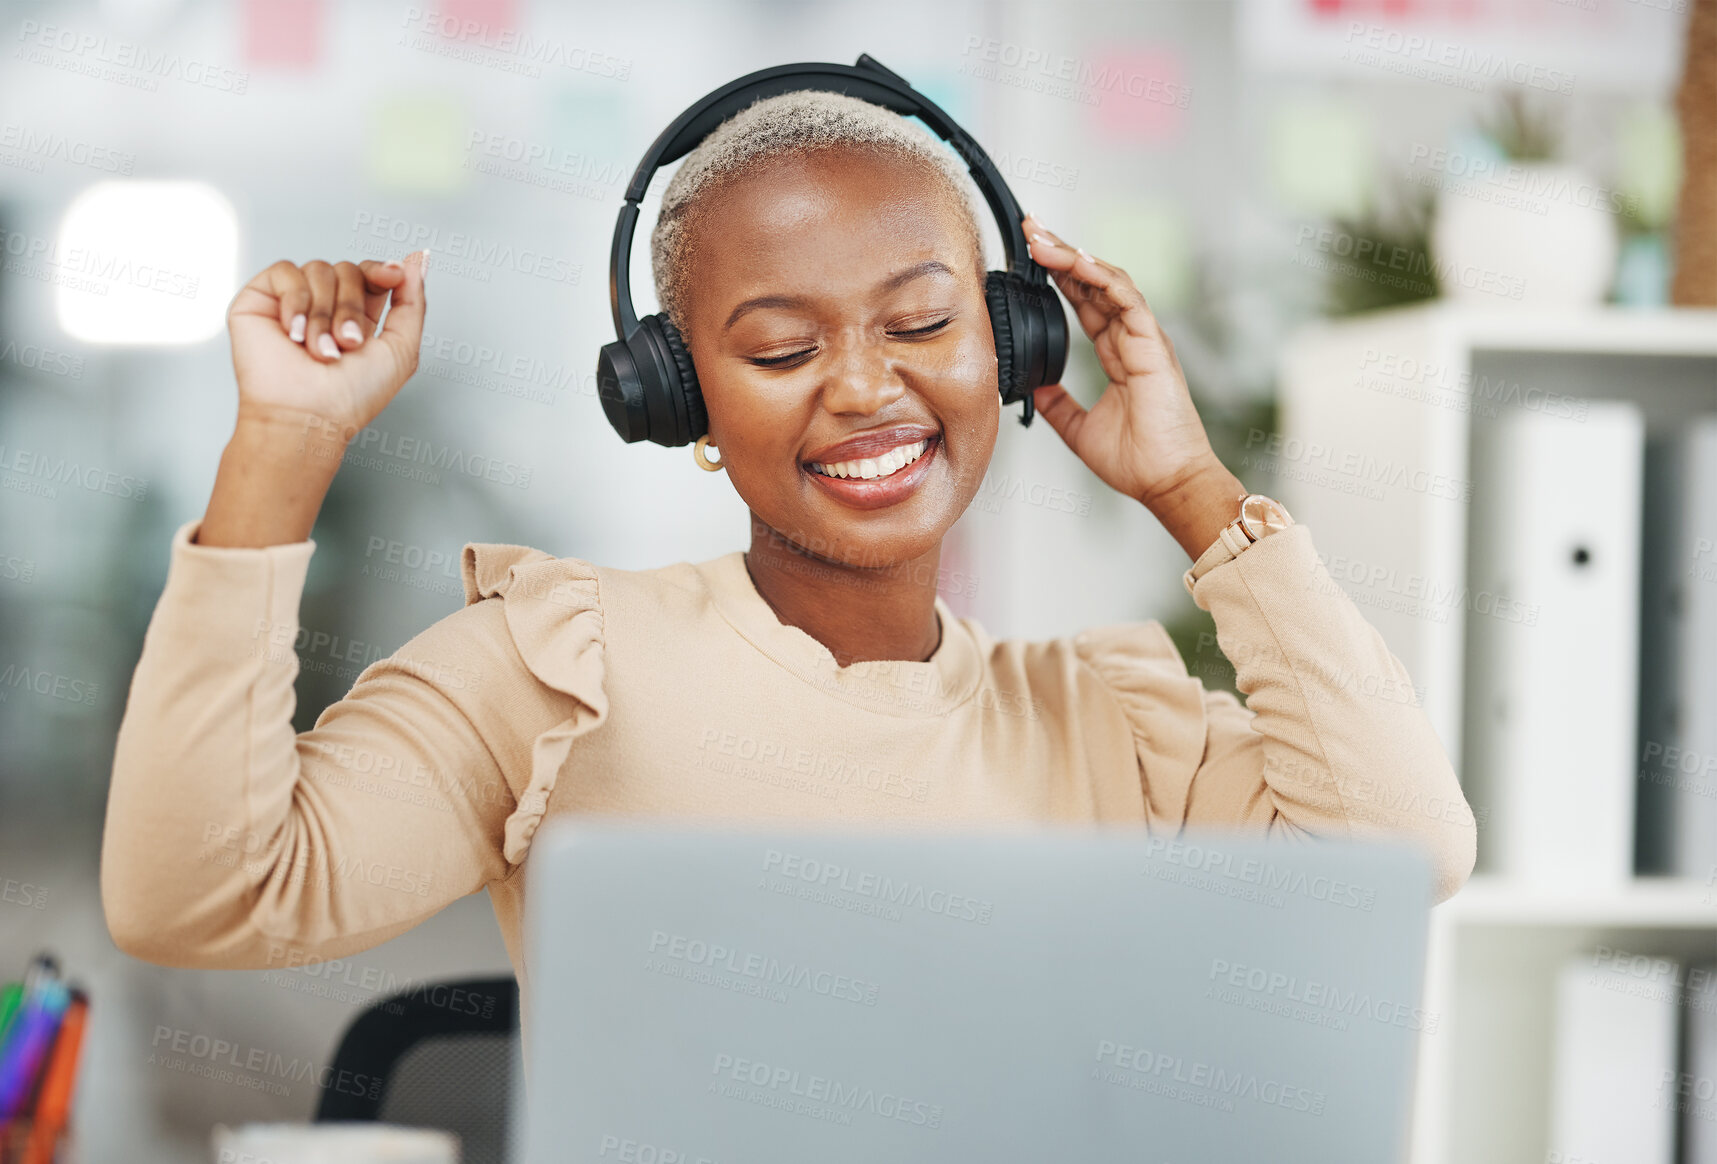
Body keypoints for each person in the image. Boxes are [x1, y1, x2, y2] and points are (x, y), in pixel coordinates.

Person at [100, 91, 1476, 1016]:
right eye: (779, 348)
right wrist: (284, 443)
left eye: (921, 323)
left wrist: (1190, 490)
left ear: (1009, 342)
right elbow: (196, 898)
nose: (866, 388)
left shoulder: (1108, 724)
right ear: (676, 395)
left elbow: (1398, 850)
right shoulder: (552, 669)